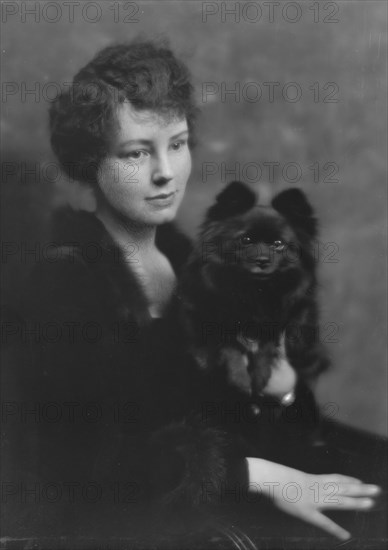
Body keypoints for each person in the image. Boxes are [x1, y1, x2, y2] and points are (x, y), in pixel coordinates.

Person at [3, 39, 385, 547]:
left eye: (177, 144)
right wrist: (269, 478)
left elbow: (255, 419)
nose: (166, 172)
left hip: (227, 483)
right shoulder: (67, 282)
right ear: (91, 162)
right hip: (131, 519)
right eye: (137, 152)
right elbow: (90, 465)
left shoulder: (196, 266)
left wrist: (283, 391)